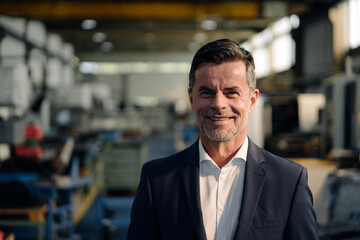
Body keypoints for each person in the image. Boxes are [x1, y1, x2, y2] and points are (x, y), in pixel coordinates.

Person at [126, 39, 318, 240]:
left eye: (231, 92)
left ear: (252, 101)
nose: (218, 104)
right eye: (207, 92)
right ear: (191, 99)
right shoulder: (157, 180)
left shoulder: (289, 181)